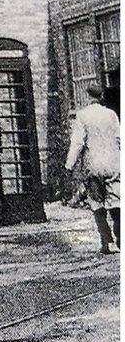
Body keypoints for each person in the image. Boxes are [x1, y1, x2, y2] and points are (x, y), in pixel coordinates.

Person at [64, 85, 121, 254]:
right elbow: (119, 139)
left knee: (97, 203)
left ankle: (107, 242)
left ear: (87, 96)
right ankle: (121, 240)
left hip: (93, 165)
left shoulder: (82, 115)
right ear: (101, 96)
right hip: (113, 163)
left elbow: (78, 143)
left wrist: (69, 164)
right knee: (116, 201)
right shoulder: (111, 114)